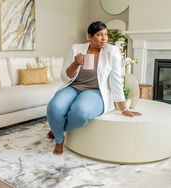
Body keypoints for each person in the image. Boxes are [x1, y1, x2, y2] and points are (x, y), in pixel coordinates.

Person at [47, 21, 141, 155]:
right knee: (54, 107)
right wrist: (75, 63)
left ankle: (57, 130)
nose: (104, 38)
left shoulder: (112, 51)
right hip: (74, 86)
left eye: (106, 34)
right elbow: (64, 76)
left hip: (96, 90)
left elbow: (116, 79)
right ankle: (59, 139)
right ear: (90, 37)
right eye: (99, 34)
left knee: (81, 113)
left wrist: (123, 108)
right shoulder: (76, 48)